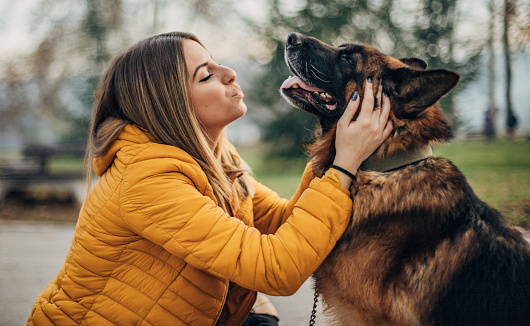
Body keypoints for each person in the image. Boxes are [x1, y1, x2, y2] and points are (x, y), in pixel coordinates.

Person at [27, 32, 392, 326]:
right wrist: (344, 163)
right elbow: (276, 267)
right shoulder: (147, 179)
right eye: (206, 75)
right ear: (171, 104)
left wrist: (333, 142)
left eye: (217, 62)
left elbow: (284, 224)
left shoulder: (218, 158)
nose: (229, 72)